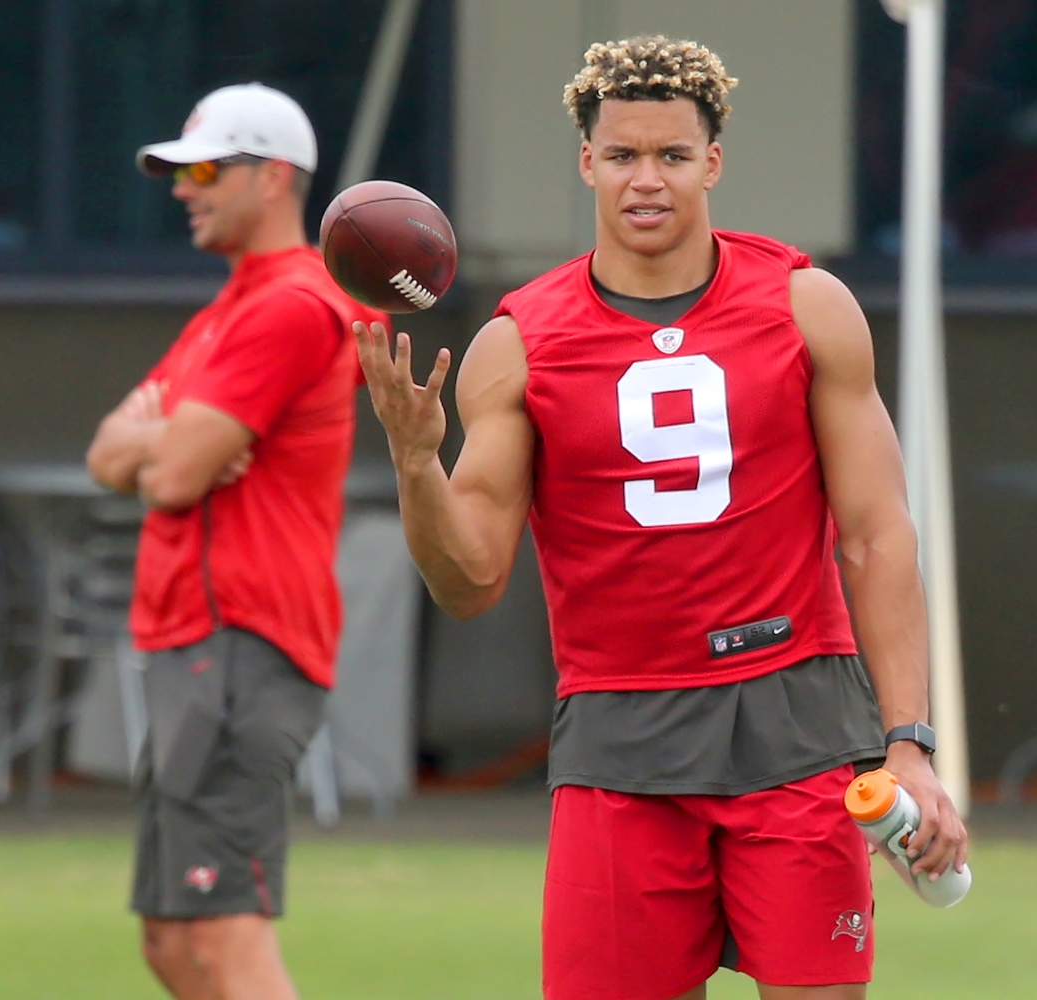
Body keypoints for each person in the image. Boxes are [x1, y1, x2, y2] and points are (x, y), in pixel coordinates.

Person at [358, 37, 968, 1000]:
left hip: (797, 720)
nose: (648, 181)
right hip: (621, 729)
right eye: (625, 155)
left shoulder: (807, 306)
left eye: (673, 156)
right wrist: (413, 460)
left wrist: (909, 744)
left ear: (713, 163)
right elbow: (469, 580)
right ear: (588, 162)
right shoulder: (519, 345)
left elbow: (877, 534)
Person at [86, 82, 384, 1000]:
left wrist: (167, 440)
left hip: (240, 641)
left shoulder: (289, 304)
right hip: (196, 644)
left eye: (208, 169)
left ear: (276, 179)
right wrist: (168, 436)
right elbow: (108, 453)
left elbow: (171, 476)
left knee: (224, 934)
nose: (185, 189)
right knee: (173, 941)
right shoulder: (229, 309)